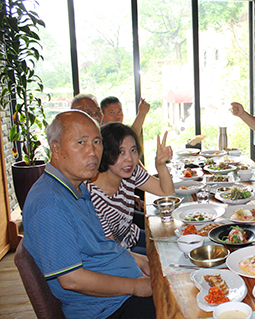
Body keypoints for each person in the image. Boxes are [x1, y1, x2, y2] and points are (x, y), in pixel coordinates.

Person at [22, 110, 156, 319]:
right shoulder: (50, 204)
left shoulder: (76, 187)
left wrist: (138, 260)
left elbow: (99, 244)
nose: (93, 152)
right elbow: (72, 279)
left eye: (96, 142)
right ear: (55, 148)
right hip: (108, 308)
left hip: (123, 287)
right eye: (81, 143)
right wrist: (136, 287)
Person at [88, 122, 174, 254]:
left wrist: (161, 165)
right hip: (116, 252)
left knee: (174, 244)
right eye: (120, 152)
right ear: (105, 153)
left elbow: (166, 191)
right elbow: (112, 249)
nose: (129, 159)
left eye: (133, 150)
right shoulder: (92, 197)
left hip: (131, 237)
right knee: (165, 258)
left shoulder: (131, 173)